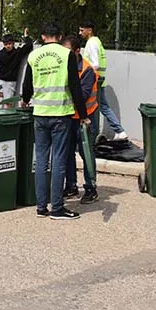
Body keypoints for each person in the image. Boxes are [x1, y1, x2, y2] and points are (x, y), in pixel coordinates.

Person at [22, 23, 89, 220]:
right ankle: (57, 208)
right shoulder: (66, 54)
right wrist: (83, 115)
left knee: (41, 161)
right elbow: (75, 87)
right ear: (59, 37)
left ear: (42, 37)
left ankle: (41, 207)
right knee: (59, 161)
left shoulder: (33, 56)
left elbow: (27, 85)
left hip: (40, 114)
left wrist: (26, 100)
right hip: (61, 114)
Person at [61, 35, 100, 204]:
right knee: (68, 152)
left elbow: (82, 96)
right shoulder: (63, 66)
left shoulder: (87, 70)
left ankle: (91, 188)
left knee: (86, 153)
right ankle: (71, 186)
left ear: (77, 51)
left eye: (68, 52)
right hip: (69, 117)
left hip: (86, 118)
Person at [79, 21, 127, 141]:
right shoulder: (95, 42)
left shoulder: (92, 43)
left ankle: (118, 131)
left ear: (89, 30)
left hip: (95, 81)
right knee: (103, 106)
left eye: (82, 30)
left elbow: (95, 64)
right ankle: (119, 131)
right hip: (98, 80)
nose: (80, 33)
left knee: (100, 107)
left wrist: (85, 73)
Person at [0, 28, 33, 106]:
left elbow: (29, 46)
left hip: (10, 82)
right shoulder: (0, 54)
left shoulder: (18, 53)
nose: (8, 46)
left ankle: (6, 116)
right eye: (6, 44)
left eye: (9, 43)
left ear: (13, 43)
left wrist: (26, 36)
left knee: (8, 102)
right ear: (3, 44)